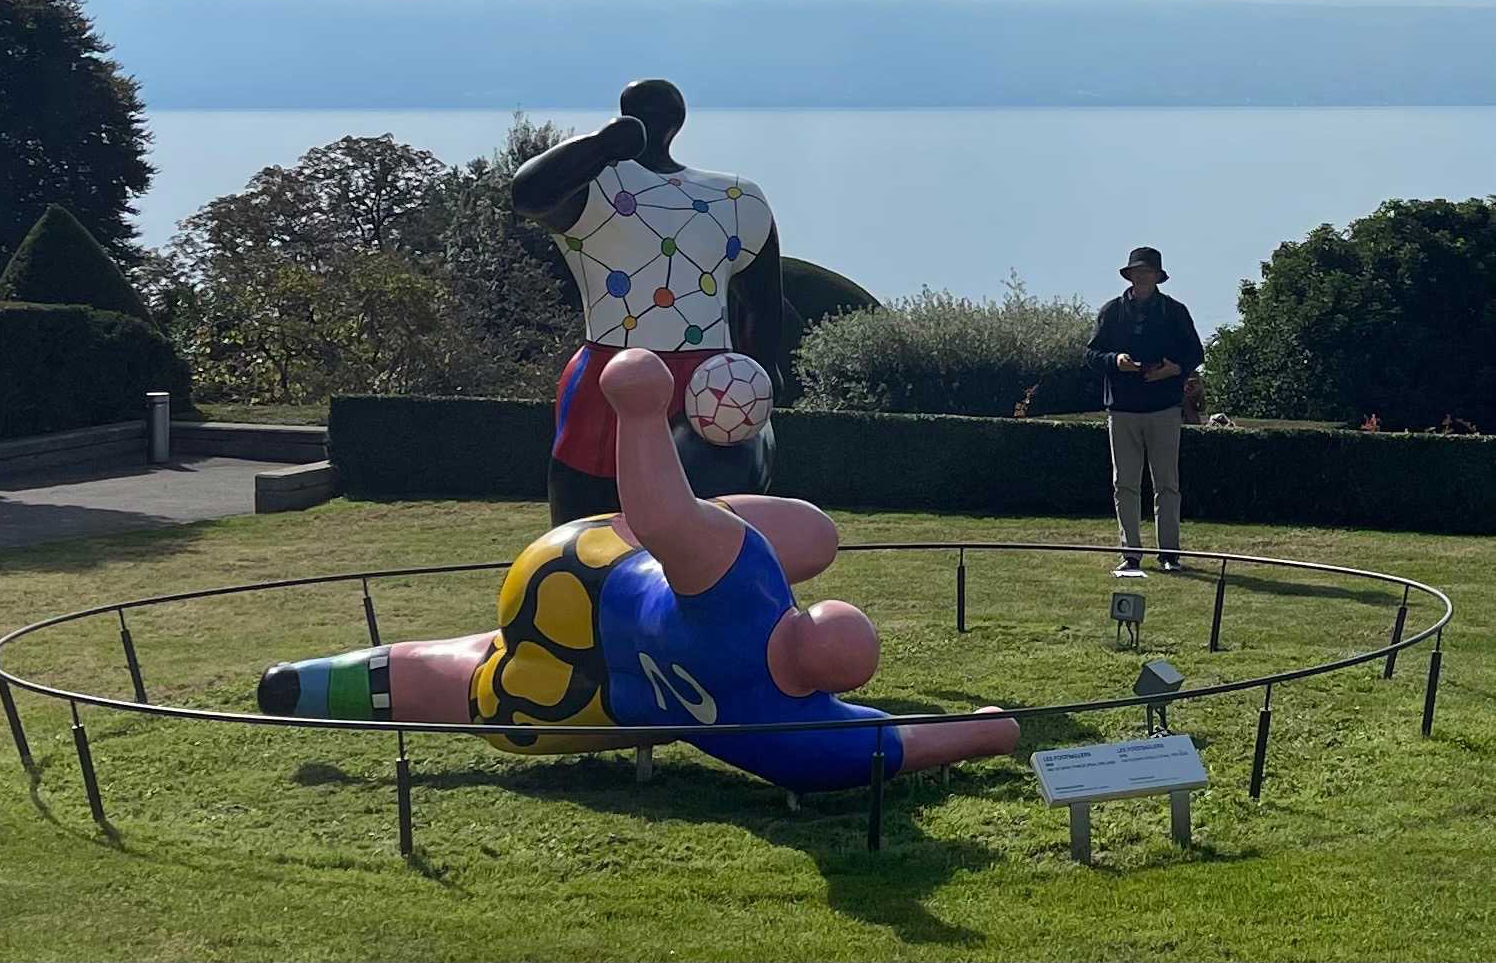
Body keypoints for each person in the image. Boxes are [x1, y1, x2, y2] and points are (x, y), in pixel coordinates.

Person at [257, 348, 1019, 793]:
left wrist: (642, 407)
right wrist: (986, 731)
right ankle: (300, 687)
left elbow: (659, 517)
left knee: (482, 676)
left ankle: (302, 686)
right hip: (588, 683)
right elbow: (900, 743)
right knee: (475, 677)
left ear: (806, 616)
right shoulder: (794, 734)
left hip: (585, 572)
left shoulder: (746, 586)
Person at [511, 79, 784, 526]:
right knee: (599, 523)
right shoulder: (731, 197)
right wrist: (603, 146)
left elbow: (763, 305)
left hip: (681, 383)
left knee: (640, 527)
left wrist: (602, 145)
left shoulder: (735, 197)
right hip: (672, 381)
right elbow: (527, 194)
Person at [1082, 247, 1205, 578]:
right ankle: (1130, 554)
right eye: (1137, 271)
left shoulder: (1175, 312)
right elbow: (1092, 355)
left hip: (1164, 407)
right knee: (1125, 483)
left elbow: (1195, 352)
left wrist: (1174, 370)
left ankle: (1169, 554)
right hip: (1122, 408)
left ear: (1157, 276)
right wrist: (1116, 360)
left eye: (1148, 272)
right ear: (1130, 276)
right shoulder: (1111, 312)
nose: (1142, 276)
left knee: (1167, 483)